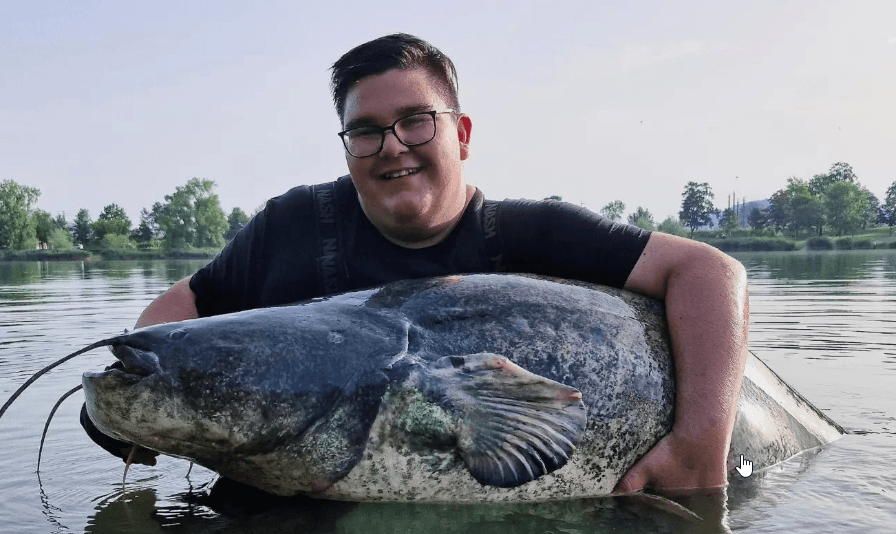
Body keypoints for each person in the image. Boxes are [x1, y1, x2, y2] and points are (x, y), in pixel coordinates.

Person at [81, 33, 749, 495]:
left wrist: (697, 447)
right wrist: (149, 396)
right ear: (346, 146)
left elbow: (710, 273)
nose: (391, 145)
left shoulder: (535, 230)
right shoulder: (293, 225)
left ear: (459, 133)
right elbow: (182, 309)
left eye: (415, 121)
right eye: (365, 130)